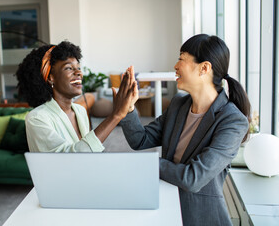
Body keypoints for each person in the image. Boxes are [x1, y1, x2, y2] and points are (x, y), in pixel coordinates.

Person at [119, 34, 250, 225]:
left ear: (204, 68)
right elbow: (140, 140)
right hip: (166, 206)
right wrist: (129, 108)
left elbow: (193, 178)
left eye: (181, 58)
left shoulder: (232, 121)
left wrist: (147, 165)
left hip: (200, 217)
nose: (176, 65)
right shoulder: (178, 104)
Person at [16, 41, 136, 153]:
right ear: (50, 78)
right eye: (69, 68)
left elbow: (89, 153)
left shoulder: (80, 111)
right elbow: (71, 156)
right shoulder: (37, 118)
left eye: (78, 68)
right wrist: (116, 115)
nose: (79, 73)